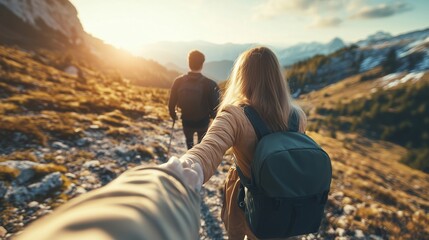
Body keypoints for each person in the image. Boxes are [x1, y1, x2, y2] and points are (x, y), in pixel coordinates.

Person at [178, 47, 307, 239]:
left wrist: (176, 175)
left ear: (242, 75)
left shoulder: (235, 115)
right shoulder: (297, 116)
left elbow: (208, 150)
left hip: (245, 198)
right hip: (283, 200)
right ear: (277, 77)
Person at [16, 157, 204, 240]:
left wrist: (165, 180)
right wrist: (174, 189)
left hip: (187, 121)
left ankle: (189, 146)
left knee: (190, 137)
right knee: (198, 133)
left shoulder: (180, 81)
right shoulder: (207, 86)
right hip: (201, 122)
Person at [168, 50, 220, 149]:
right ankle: (198, 160)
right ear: (202, 64)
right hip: (203, 122)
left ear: (188, 62)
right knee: (201, 145)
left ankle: (189, 157)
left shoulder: (178, 81)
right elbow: (216, 107)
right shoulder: (210, 84)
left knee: (189, 143)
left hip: (186, 121)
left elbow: (171, 102)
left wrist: (173, 115)